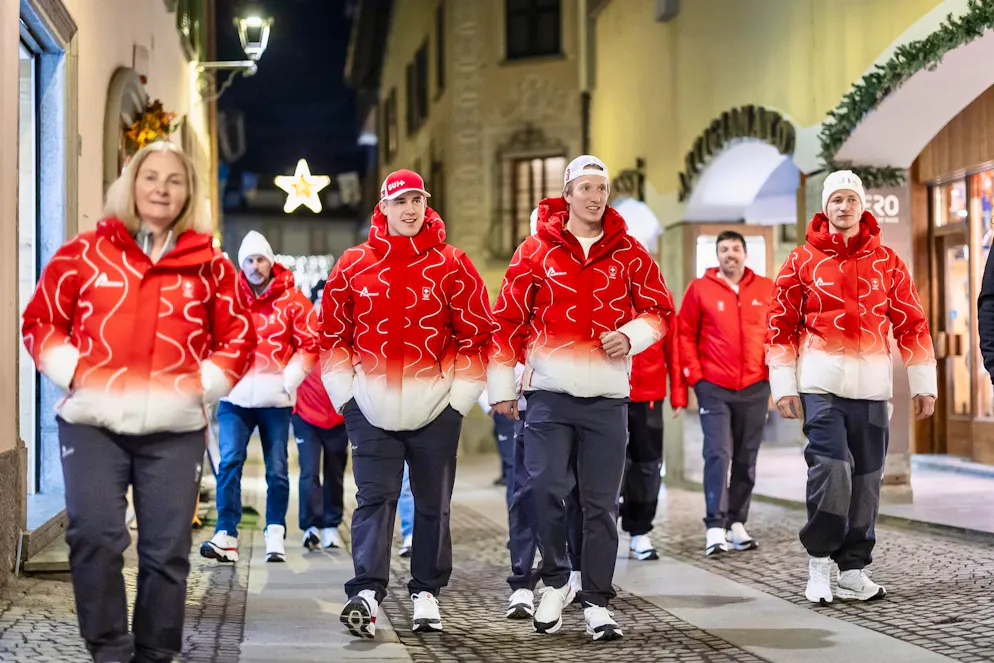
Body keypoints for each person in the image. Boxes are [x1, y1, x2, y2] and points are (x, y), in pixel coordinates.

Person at [21, 141, 256, 663]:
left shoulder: (211, 265)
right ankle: (109, 650)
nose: (161, 189)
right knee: (95, 537)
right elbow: (40, 320)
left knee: (166, 553)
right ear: (130, 183)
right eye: (151, 177)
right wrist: (76, 371)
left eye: (175, 180)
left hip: (174, 429)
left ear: (188, 192)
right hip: (92, 423)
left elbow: (239, 337)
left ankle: (154, 654)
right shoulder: (82, 254)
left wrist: (200, 385)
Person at [489, 155, 675, 642]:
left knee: (599, 506)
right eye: (587, 187)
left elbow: (659, 310)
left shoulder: (630, 253)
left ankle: (596, 601)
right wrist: (503, 387)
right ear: (567, 194)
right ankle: (554, 580)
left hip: (608, 401)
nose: (596, 196)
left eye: (603, 188)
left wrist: (632, 336)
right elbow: (506, 321)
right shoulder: (534, 251)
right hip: (549, 396)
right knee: (545, 488)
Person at [321, 168, 494, 638]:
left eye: (417, 200)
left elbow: (477, 336)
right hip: (370, 410)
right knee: (374, 499)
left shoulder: (453, 263)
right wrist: (348, 400)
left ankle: (426, 593)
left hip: (437, 408)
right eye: (401, 202)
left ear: (426, 204)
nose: (411, 209)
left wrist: (459, 401)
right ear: (384, 208)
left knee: (433, 503)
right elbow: (332, 336)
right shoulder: (353, 264)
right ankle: (367, 593)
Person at [767, 170, 936, 604]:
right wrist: (783, 385)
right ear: (825, 207)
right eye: (836, 200)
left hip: (874, 390)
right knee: (833, 469)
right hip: (821, 386)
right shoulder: (801, 261)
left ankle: (854, 568)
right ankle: (820, 562)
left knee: (867, 480)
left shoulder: (888, 262)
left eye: (851, 199)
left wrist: (923, 384)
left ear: (863, 206)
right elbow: (780, 327)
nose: (844, 207)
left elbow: (913, 325)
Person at [201, 231, 320, 564]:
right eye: (249, 260)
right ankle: (226, 533)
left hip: (276, 402)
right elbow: (212, 341)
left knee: (277, 470)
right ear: (242, 265)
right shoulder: (228, 301)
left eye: (260, 259)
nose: (255, 266)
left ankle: (275, 532)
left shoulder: (293, 300)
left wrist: (288, 382)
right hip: (234, 399)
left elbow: (310, 345)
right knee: (229, 464)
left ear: (271, 262)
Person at [677, 230, 775, 556]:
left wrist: (775, 378)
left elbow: (777, 333)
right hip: (714, 387)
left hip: (755, 386)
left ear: (745, 254)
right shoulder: (699, 289)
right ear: (716, 255)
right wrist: (696, 378)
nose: (729, 254)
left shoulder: (766, 288)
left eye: (735, 248)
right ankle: (715, 526)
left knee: (747, 458)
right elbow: (685, 333)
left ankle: (736, 523)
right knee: (718, 454)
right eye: (723, 249)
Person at [611, 173, 687, 561]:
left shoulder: (659, 292)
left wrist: (678, 390)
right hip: (608, 391)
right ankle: (607, 526)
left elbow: (672, 341)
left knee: (646, 465)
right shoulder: (603, 290)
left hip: (650, 394)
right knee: (608, 465)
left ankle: (640, 530)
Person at [295, 291, 348, 552]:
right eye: (320, 300)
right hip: (306, 415)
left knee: (335, 474)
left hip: (339, 417)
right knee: (309, 473)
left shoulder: (345, 333)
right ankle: (310, 527)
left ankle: (331, 525)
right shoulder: (304, 333)